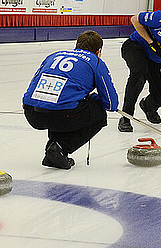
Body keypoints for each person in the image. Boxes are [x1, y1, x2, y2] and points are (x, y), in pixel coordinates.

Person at [23, 31, 118, 169]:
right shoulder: (95, 61)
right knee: (97, 111)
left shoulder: (54, 55)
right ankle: (61, 148)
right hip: (62, 116)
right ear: (99, 51)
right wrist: (94, 98)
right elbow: (111, 104)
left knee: (63, 104)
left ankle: (52, 152)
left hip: (32, 113)